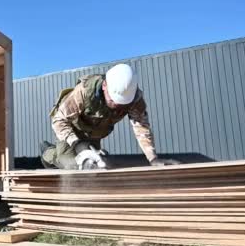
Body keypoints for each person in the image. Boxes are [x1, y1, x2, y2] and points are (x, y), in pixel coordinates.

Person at [41, 63, 180, 169]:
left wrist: (153, 158)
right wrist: (76, 142)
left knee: (94, 164)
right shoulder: (84, 92)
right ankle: (48, 153)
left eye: (122, 103)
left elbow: (141, 127)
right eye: (113, 100)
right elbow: (59, 119)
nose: (116, 105)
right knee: (71, 165)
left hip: (95, 134)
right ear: (104, 86)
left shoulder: (134, 98)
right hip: (71, 130)